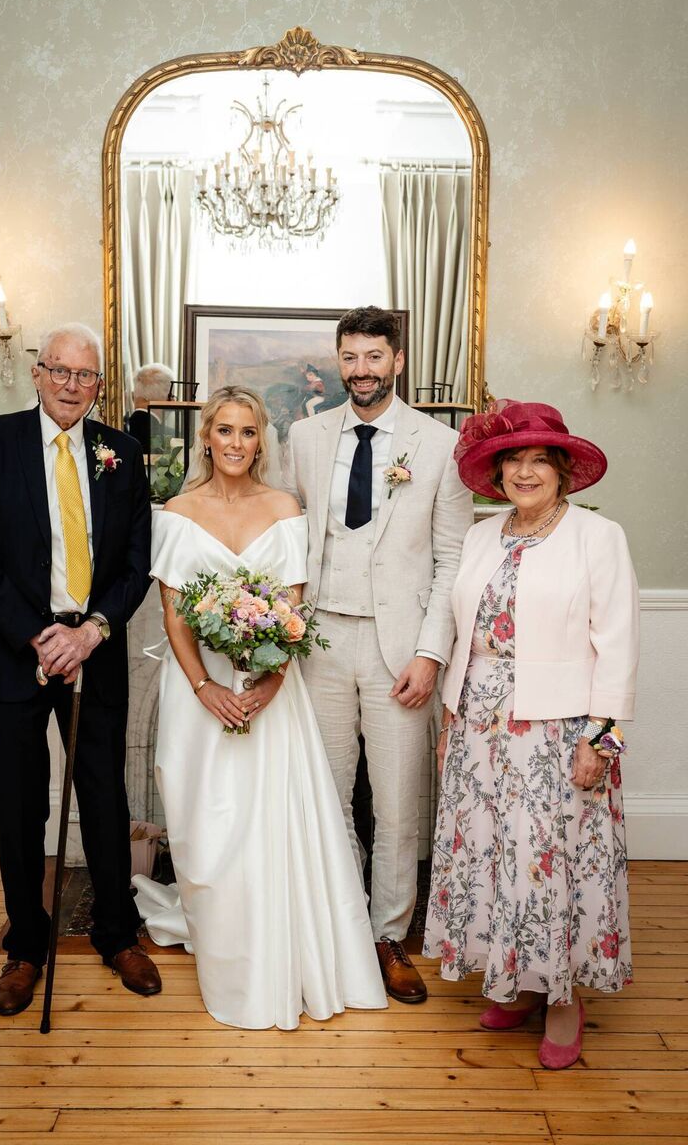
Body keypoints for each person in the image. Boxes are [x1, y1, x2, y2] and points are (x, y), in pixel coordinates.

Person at [133, 385, 387, 1030]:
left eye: (248, 432)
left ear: (261, 440)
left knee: (271, 820)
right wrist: (203, 688)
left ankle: (286, 947)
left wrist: (270, 683)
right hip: (201, 696)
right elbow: (174, 611)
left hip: (272, 690)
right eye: (225, 431)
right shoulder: (176, 511)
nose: (236, 444)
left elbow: (293, 608)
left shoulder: (285, 507)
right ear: (207, 438)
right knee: (207, 825)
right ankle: (227, 946)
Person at [0, 323, 161, 1016]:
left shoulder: (123, 453)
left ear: (100, 386)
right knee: (20, 805)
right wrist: (40, 635)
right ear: (37, 374)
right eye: (60, 372)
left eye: (86, 376)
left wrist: (93, 630)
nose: (72, 386)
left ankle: (116, 934)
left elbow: (136, 561)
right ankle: (26, 948)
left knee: (104, 798)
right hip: (15, 654)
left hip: (95, 654)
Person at [424, 399, 639, 1069]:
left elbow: (620, 644)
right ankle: (514, 982)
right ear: (495, 472)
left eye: (536, 459)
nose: (523, 471)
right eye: (510, 460)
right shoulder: (484, 534)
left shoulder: (598, 539)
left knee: (555, 861)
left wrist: (600, 741)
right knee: (495, 857)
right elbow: (463, 631)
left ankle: (564, 999)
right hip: (479, 722)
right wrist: (451, 720)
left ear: (562, 468)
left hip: (559, 727)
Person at [284, 306, 473, 1003]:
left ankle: (389, 938)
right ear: (338, 362)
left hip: (401, 651)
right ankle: (337, 930)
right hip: (320, 642)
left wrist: (430, 653)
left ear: (396, 361)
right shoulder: (303, 437)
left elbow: (452, 558)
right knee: (327, 798)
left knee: (395, 807)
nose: (361, 370)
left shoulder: (439, 444)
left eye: (373, 357)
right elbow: (289, 537)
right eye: (350, 357)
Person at [127, 362, 176, 454]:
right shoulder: (172, 438)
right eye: (172, 396)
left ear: (135, 396)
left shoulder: (120, 427)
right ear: (168, 398)